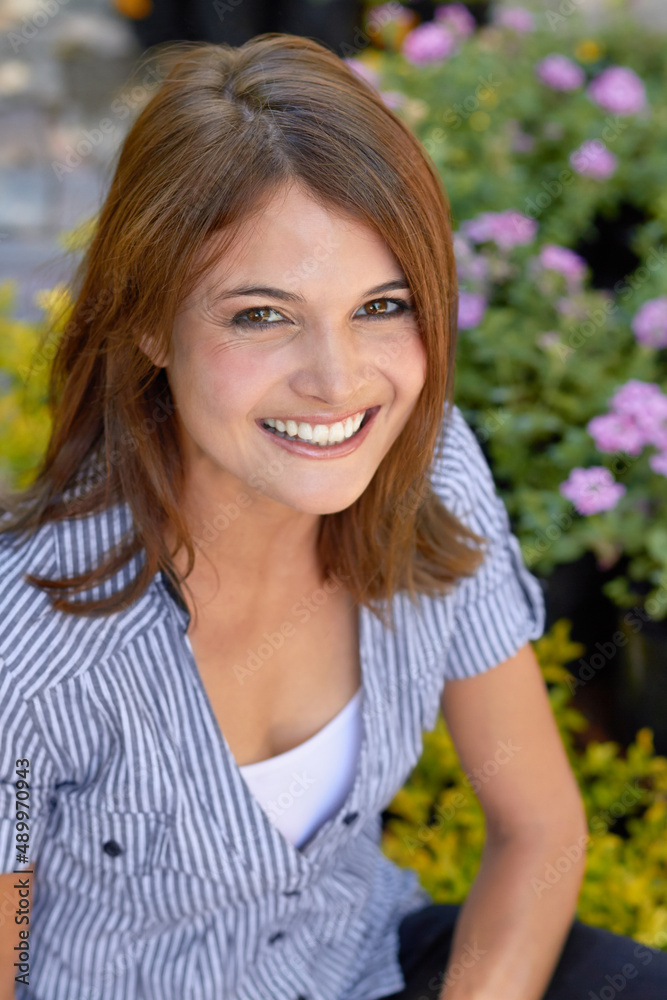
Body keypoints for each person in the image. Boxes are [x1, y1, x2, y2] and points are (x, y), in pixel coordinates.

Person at [0, 33, 665, 1000]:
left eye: (382, 305)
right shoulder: (27, 639)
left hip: (362, 966)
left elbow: (539, 832)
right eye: (260, 315)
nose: (338, 380)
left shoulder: (429, 468)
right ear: (149, 321)